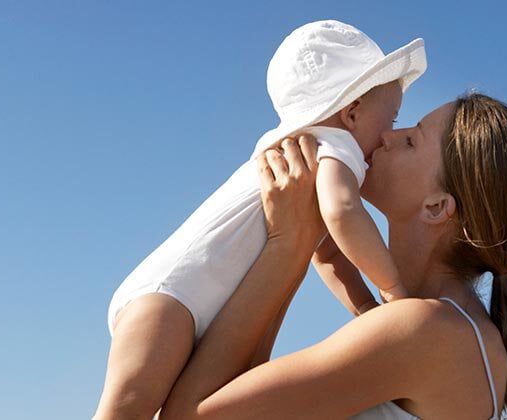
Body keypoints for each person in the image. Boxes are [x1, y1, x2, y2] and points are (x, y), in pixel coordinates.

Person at [94, 20, 426, 420]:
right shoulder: (335, 146)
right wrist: (393, 291)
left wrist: (369, 313)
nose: (389, 134)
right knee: (126, 409)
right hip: (173, 296)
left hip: (185, 302)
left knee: (131, 406)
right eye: (390, 120)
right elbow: (343, 212)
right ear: (352, 112)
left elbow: (329, 257)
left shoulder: (305, 152)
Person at [159, 93, 507, 419]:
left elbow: (187, 416)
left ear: (437, 207)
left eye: (411, 140)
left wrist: (290, 243)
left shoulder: (426, 329)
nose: (388, 135)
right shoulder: (453, 328)